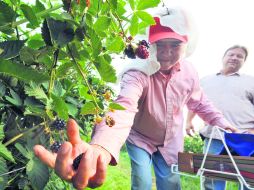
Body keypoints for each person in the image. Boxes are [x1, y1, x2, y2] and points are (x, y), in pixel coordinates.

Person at [34, 7, 239, 190]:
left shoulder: (189, 73)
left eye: (175, 44)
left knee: (171, 183)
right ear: (149, 45)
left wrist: (222, 123)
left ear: (187, 44)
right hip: (140, 137)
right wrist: (102, 146)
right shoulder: (138, 72)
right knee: (141, 180)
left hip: (171, 141)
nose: (166, 52)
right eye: (159, 44)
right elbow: (124, 106)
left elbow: (200, 102)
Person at [186, 45, 254, 190]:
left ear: (244, 61)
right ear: (223, 57)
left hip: (246, 139)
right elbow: (196, 102)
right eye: (231, 54)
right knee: (211, 177)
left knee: (249, 181)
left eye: (240, 56)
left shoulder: (251, 81)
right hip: (214, 137)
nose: (235, 58)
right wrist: (188, 121)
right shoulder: (205, 80)